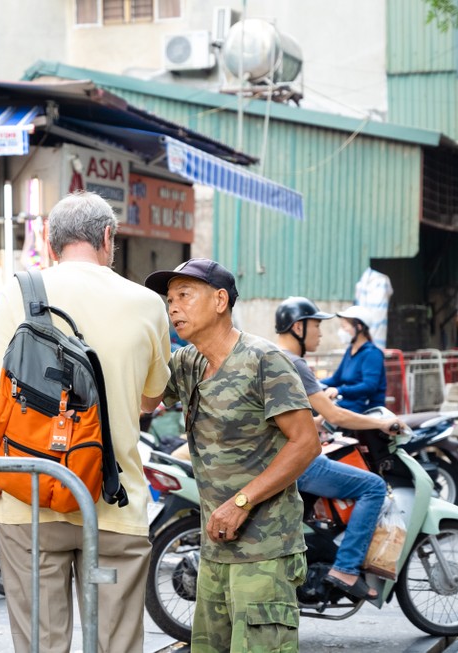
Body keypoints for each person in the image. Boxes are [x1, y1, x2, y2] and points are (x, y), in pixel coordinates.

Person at [0, 191, 171, 653]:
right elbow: (150, 399)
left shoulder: (20, 293)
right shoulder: (147, 303)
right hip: (113, 505)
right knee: (115, 644)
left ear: (49, 239)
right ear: (108, 237)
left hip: (29, 503)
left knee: (42, 646)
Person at [143, 258, 321, 653]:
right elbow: (144, 400)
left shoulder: (264, 360)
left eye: (184, 296)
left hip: (265, 552)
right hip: (215, 549)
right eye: (169, 300)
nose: (173, 307)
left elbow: (306, 442)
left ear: (220, 300)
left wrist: (242, 502)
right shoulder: (188, 362)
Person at [275, 296, 397, 601]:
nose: (322, 333)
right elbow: (336, 415)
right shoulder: (295, 362)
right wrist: (383, 425)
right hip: (297, 461)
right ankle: (346, 568)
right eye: (317, 326)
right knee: (373, 486)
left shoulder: (268, 356)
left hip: (273, 457)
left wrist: (311, 422)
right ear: (299, 327)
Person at [320, 305, 387, 413]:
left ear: (359, 327)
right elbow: (336, 379)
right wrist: (315, 384)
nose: (341, 331)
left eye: (344, 326)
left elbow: (369, 386)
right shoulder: (350, 350)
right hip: (348, 406)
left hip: (365, 411)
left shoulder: (372, 354)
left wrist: (339, 390)